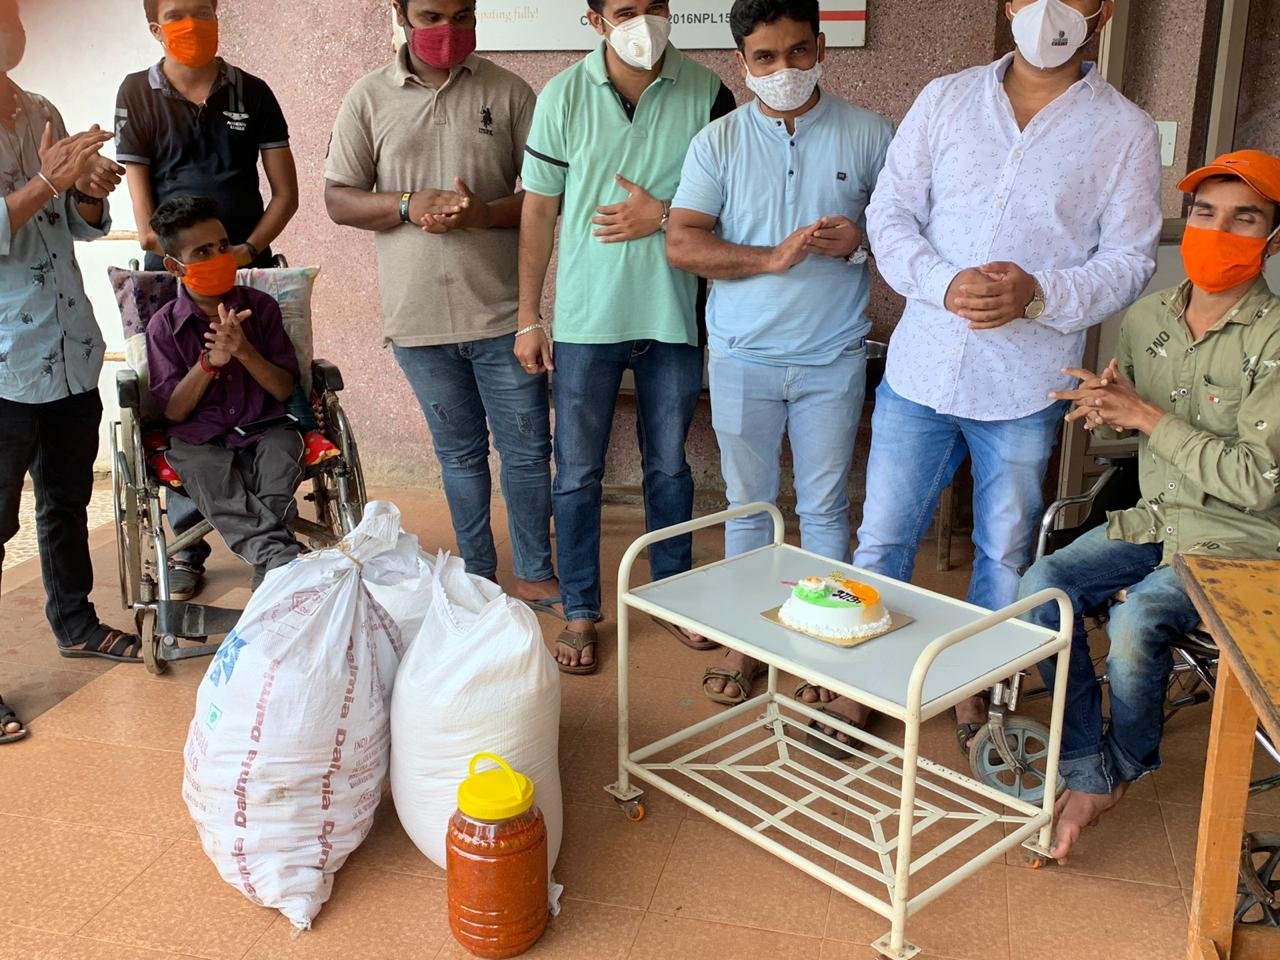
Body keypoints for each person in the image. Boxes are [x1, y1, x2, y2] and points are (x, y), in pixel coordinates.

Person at [797, 0, 1163, 749]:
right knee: (882, 539)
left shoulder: (1124, 128)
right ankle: (863, 684)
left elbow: (1131, 259)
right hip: (921, 371)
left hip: (1027, 384)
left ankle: (975, 691)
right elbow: (891, 212)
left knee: (1005, 551)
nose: (1050, 8)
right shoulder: (946, 98)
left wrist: (1041, 294)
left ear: (1103, 11)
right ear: (1009, 4)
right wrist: (941, 282)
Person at [1019, 151, 1280, 860]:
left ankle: (1123, 767)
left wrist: (1146, 417)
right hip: (1157, 517)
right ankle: (1087, 766)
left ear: (1272, 239)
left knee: (1136, 621)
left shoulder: (1275, 339)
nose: (1217, 231)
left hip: (1240, 542)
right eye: (1204, 213)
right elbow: (1130, 415)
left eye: (1244, 218)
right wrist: (1104, 406)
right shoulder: (1147, 319)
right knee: (1041, 590)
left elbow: (1259, 480)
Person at [665, 0, 891, 706]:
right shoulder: (719, 142)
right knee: (747, 506)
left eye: (797, 51)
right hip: (742, 355)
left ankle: (821, 648)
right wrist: (770, 258)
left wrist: (860, 242)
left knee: (824, 507)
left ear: (821, 47)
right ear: (742, 63)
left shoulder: (870, 133)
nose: (784, 69)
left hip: (832, 356)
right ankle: (747, 642)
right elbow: (683, 242)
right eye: (765, 57)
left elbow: (911, 235)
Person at [324, 0, 564, 617]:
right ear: (401, 15)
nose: (447, 31)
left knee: (527, 455)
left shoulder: (509, 93)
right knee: (458, 456)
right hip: (418, 321)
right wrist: (407, 205)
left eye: (462, 15)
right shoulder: (368, 97)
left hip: (504, 316)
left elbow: (547, 196)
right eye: (431, 15)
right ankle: (476, 574)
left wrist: (483, 213)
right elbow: (338, 199)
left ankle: (535, 572)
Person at [518, 0, 737, 674]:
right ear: (595, 21)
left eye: (655, 6)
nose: (644, 21)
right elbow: (539, 210)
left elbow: (733, 198)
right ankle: (581, 607)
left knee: (669, 466)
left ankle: (672, 595)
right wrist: (529, 315)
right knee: (577, 472)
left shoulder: (708, 92)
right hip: (587, 321)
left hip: (674, 316)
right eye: (625, 10)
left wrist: (663, 214)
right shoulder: (562, 95)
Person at [115, 0, 305, 602]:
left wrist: (240, 253)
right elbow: (144, 221)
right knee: (187, 423)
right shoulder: (137, 94)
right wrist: (191, 262)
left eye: (203, 10)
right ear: (155, 27)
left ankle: (265, 557)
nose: (193, 23)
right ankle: (193, 551)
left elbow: (285, 193)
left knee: (268, 415)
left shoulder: (252, 91)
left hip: (245, 258)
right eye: (178, 13)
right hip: (175, 261)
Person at [1, 0, 141, 706]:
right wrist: (50, 182)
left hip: (68, 347)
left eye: (8, 14)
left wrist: (85, 193)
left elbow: (74, 225)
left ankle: (76, 622)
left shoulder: (39, 111)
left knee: (65, 499)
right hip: (4, 363)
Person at [146, 196, 305, 589]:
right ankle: (280, 561)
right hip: (199, 439)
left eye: (222, 246)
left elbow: (284, 387)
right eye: (202, 252)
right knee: (205, 471)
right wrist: (209, 363)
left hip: (267, 427)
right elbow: (174, 412)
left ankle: (271, 565)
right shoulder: (163, 326)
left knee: (281, 458)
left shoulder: (261, 308)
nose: (219, 258)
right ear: (174, 266)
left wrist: (244, 351)